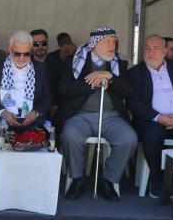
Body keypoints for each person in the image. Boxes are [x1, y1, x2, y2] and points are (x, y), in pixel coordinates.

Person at [57, 26, 136, 202]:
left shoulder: (119, 64)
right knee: (70, 135)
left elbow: (128, 91)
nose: (112, 46)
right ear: (94, 44)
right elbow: (64, 89)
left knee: (129, 138)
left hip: (111, 117)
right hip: (80, 116)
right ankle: (77, 179)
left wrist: (110, 77)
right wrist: (91, 84)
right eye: (107, 42)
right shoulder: (74, 61)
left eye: (113, 42)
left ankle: (108, 179)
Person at [0, 30, 52, 196]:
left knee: (46, 133)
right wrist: (4, 113)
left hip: (30, 116)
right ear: (9, 50)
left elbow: (47, 98)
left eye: (26, 54)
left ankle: (34, 184)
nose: (21, 58)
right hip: (3, 115)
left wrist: (35, 113)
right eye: (17, 53)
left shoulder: (41, 68)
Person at [127, 34, 173, 198]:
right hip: (150, 120)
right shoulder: (135, 73)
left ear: (165, 52)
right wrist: (158, 117)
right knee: (153, 135)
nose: (151, 52)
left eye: (156, 48)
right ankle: (157, 179)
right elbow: (133, 103)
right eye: (147, 48)